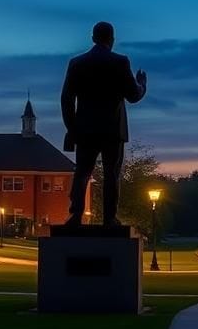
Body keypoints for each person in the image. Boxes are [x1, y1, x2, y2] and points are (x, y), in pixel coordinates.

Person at [61, 21, 146, 225]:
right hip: (112, 130)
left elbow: (66, 99)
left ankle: (75, 215)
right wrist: (142, 83)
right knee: (111, 174)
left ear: (92, 38)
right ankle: (109, 218)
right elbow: (133, 95)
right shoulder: (120, 62)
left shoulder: (77, 63)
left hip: (85, 129)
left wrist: (72, 128)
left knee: (82, 171)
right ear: (112, 39)